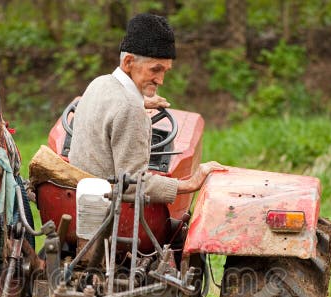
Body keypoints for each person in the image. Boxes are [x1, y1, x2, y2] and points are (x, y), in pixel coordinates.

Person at [68, 13, 224, 197]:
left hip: (75, 197)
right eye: (155, 69)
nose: (161, 80)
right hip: (110, 213)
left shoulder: (98, 84)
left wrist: (140, 101)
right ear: (128, 62)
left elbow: (115, 106)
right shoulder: (131, 110)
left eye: (165, 71)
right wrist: (189, 184)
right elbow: (132, 184)